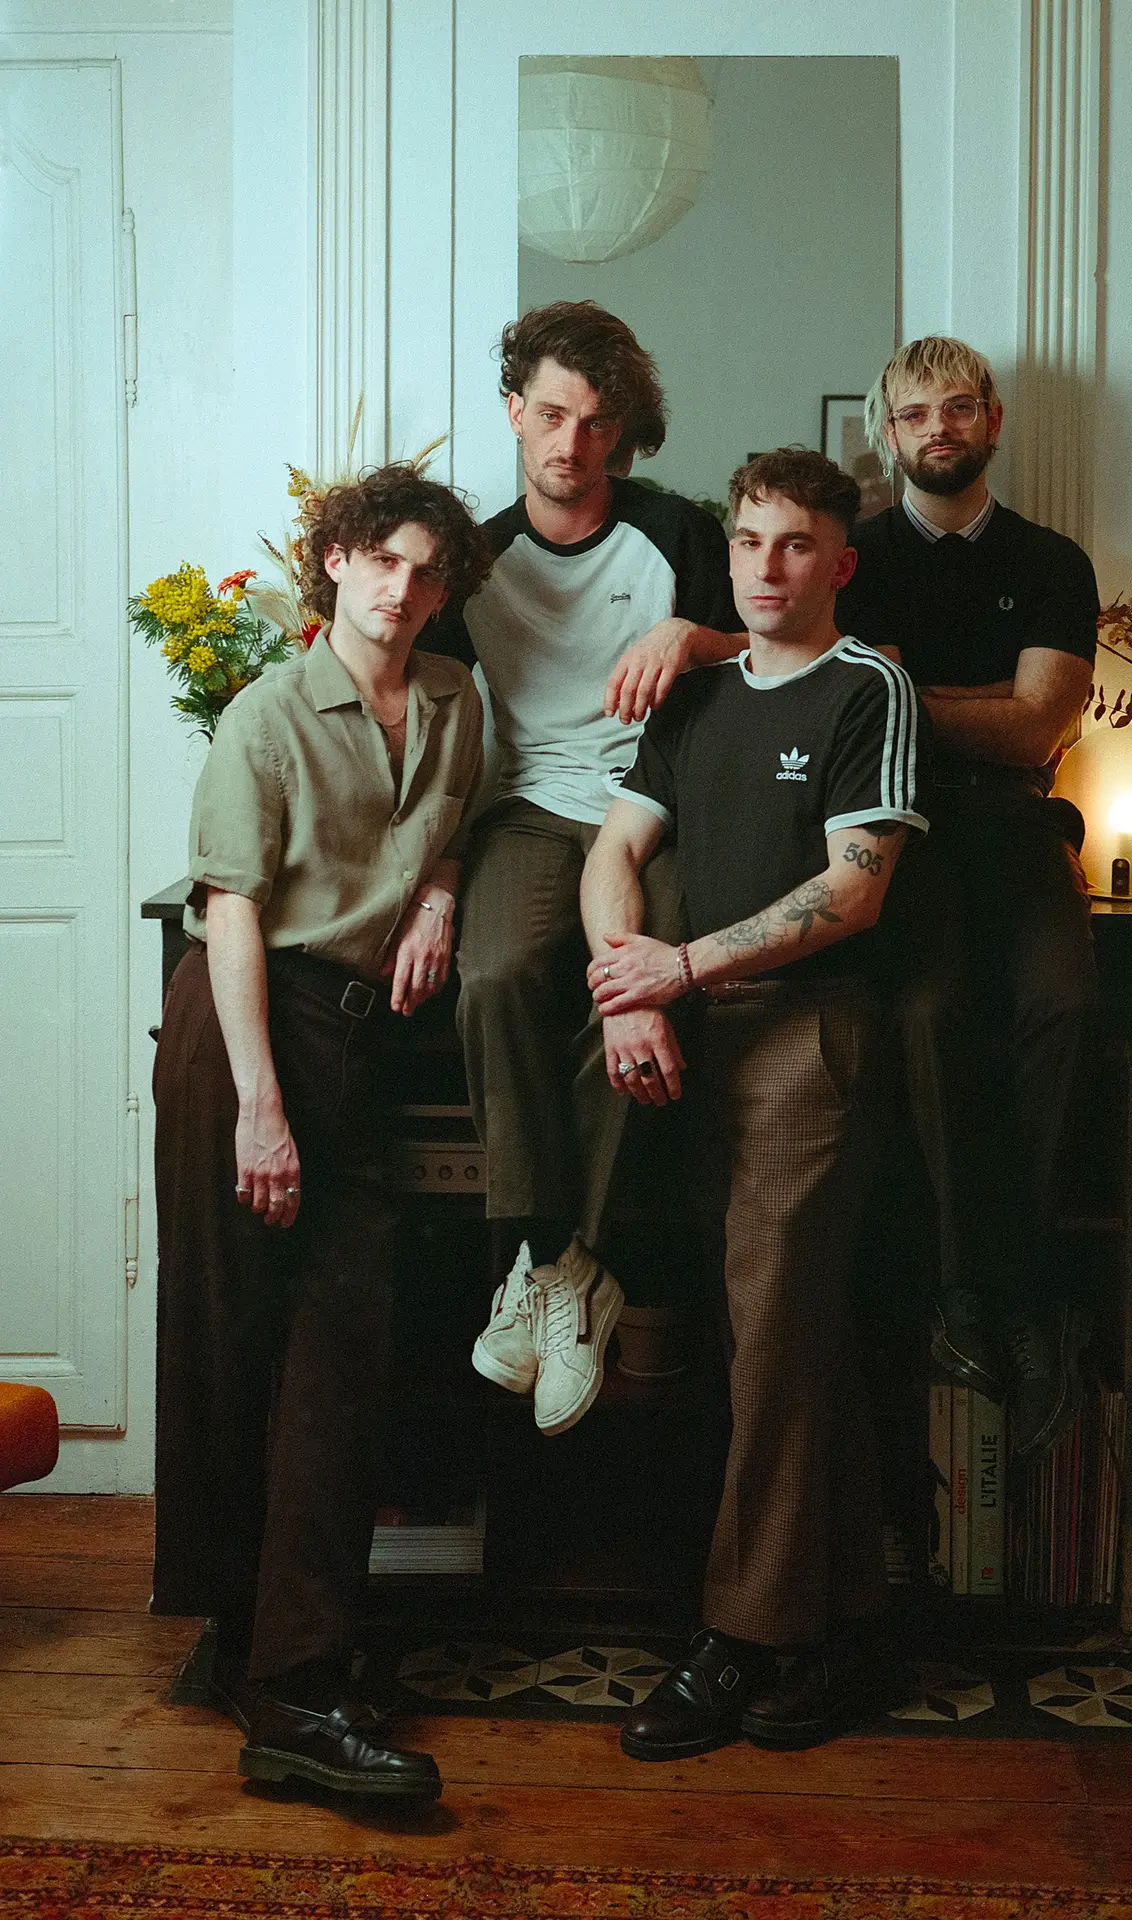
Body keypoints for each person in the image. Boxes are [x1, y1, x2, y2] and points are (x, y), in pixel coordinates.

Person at [581, 449, 927, 1759]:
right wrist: (627, 992)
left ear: (839, 562)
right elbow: (615, 849)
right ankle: (844, 1631)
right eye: (747, 541)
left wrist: (679, 968)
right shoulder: (698, 693)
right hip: (684, 1037)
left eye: (794, 544)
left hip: (806, 1038)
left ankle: (741, 1639)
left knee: (777, 1349)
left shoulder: (869, 685)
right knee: (766, 1343)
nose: (766, 566)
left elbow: (854, 890)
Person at [152, 464, 491, 1799]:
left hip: (352, 1038)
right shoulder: (268, 714)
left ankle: (285, 1661)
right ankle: (279, 1678)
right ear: (336, 562)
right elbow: (231, 910)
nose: (402, 589)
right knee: (235, 1334)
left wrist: (441, 900)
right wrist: (258, 1108)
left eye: (426, 570)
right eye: (381, 560)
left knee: (342, 1345)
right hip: (244, 1025)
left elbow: (451, 831)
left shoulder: (456, 701)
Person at [453, 301, 739, 1437]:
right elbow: (422, 717)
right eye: (552, 415)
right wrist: (431, 883)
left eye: (596, 421)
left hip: (656, 806)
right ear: (514, 412)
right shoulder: (472, 559)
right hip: (529, 806)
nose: (571, 443)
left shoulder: (680, 535)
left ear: (623, 430)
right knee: (493, 975)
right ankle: (559, 1263)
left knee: (636, 985)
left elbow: (788, 646)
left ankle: (562, 1266)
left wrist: (696, 637)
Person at [836, 336, 1101, 1459]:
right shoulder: (852, 556)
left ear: (991, 420)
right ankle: (956, 1294)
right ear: (885, 433)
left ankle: (1021, 1289)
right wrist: (986, 692)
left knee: (1063, 1007)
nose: (936, 429)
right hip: (901, 829)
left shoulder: (1053, 562)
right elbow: (858, 708)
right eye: (913, 414)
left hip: (1019, 825)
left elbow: (1038, 729)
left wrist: (909, 686)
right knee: (928, 1015)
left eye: (956, 408)